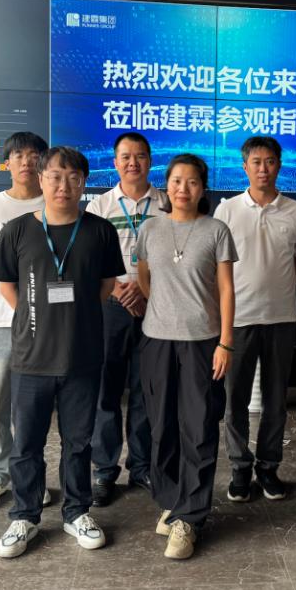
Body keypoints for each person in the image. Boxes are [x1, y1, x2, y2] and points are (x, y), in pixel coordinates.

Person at [0, 146, 125, 558]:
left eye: (73, 177)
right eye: (55, 176)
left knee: (79, 442)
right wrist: (36, 317)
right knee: (27, 444)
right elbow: (6, 284)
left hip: (83, 357)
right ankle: (25, 515)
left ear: (84, 183)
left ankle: (76, 512)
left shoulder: (100, 231)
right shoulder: (17, 230)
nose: (63, 185)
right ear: (41, 179)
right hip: (31, 358)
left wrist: (74, 316)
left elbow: (106, 286)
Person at [135, 154, 238, 560]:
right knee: (161, 428)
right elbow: (145, 278)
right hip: (156, 341)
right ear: (167, 185)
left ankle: (190, 518)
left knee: (198, 428)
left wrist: (225, 343)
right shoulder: (150, 229)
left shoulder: (216, 230)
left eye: (192, 182)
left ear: (202, 187)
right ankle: (172, 501)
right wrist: (165, 308)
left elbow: (227, 290)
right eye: (176, 181)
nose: (183, 188)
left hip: (202, 342)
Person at [214, 136, 296, 503]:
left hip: (282, 319)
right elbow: (216, 270)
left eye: (270, 161)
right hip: (237, 321)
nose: (263, 168)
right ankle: (240, 468)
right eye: (256, 162)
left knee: (275, 401)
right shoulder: (226, 211)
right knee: (235, 401)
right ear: (244, 167)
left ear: (279, 165)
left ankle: (269, 467)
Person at [0, 131, 50, 512]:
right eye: (18, 155)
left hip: (45, 321)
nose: (26, 162)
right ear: (6, 163)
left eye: (34, 155)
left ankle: (29, 477)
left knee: (31, 405)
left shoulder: (53, 202)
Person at [85, 132, 166, 507]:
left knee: (145, 389)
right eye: (126, 156)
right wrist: (119, 289)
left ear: (150, 160)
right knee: (106, 390)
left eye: (140, 156)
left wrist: (146, 291)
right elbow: (89, 259)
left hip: (156, 306)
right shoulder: (99, 205)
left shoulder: (166, 203)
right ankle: (104, 469)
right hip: (109, 305)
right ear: (115, 162)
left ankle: (142, 465)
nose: (133, 163)